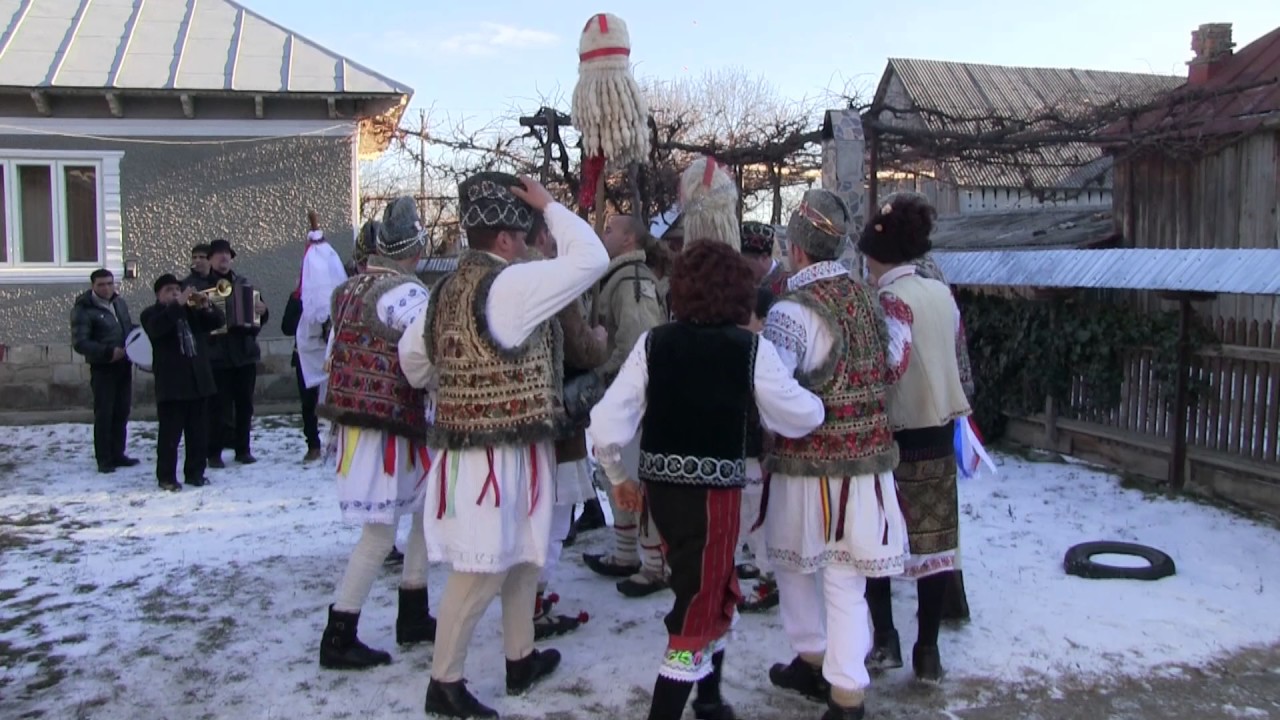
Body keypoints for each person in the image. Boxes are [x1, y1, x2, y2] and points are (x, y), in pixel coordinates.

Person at [398, 173, 608, 718]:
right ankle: (444, 682)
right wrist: (551, 206)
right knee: (483, 567)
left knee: (520, 557)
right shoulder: (510, 284)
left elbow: (413, 361)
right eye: (525, 230)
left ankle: (520, 658)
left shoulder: (442, 290)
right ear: (508, 240)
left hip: (475, 449)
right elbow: (590, 260)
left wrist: (459, 382)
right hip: (497, 457)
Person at [588, 241, 823, 720]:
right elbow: (798, 415)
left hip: (663, 497)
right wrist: (822, 401)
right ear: (738, 291)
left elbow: (606, 422)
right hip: (714, 501)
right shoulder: (748, 348)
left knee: (709, 589)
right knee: (699, 606)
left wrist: (617, 476)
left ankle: (710, 696)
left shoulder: (654, 342)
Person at [760, 188, 910, 720]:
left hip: (808, 468)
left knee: (796, 565)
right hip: (867, 464)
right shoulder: (869, 298)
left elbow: (771, 391)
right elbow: (893, 362)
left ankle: (813, 656)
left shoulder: (791, 311)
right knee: (845, 577)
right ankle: (846, 691)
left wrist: (805, 418)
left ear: (798, 250)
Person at [315, 196, 436, 671]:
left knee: (426, 510)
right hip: (389, 428)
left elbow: (332, 353)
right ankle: (339, 633)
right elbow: (422, 359)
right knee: (379, 534)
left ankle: (413, 610)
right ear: (417, 251)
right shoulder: (409, 294)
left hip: (356, 423)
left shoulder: (348, 289)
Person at [858, 194, 971, 683]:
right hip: (942, 429)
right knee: (935, 545)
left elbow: (892, 366)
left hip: (896, 433)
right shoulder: (940, 293)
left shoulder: (889, 301)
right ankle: (929, 652)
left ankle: (885, 640)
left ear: (875, 254)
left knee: (877, 539)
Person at [525, 212, 608, 639]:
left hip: (512, 428)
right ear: (542, 235)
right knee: (554, 519)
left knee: (526, 518)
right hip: (556, 424)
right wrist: (599, 336)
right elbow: (583, 351)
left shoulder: (498, 281)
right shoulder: (554, 282)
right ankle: (532, 604)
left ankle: (524, 602)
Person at [582, 214, 671, 598]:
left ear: (629, 239)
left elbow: (640, 341)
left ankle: (655, 565)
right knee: (616, 472)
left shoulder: (634, 281)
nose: (603, 234)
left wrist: (603, 372)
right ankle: (624, 553)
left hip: (635, 396)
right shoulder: (617, 278)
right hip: (621, 393)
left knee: (635, 473)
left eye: (609, 229)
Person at [188, 239, 269, 467]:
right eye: (219, 255)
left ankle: (243, 449)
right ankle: (213, 452)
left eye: (227, 255)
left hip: (244, 353)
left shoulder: (243, 283)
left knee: (244, 405)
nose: (224, 259)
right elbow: (196, 322)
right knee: (217, 407)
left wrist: (263, 311)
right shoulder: (201, 286)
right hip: (217, 356)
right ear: (211, 259)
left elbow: (258, 315)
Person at [141, 274, 225, 492]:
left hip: (198, 381)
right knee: (170, 435)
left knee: (198, 433)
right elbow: (158, 329)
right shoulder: (151, 314)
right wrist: (178, 304)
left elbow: (217, 322)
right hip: (172, 385)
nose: (175, 293)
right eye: (169, 290)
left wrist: (206, 306)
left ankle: (195, 473)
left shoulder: (190, 312)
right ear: (159, 295)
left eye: (177, 290)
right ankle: (167, 477)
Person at [294, 211, 348, 463]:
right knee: (313, 401)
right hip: (315, 348)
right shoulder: (306, 299)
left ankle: (339, 441)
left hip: (335, 348)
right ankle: (316, 442)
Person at [70, 268, 137, 474]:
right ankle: (104, 458)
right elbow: (80, 342)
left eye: (110, 283)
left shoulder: (119, 303)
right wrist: (108, 352)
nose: (107, 288)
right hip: (103, 367)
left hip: (124, 364)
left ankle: (118, 453)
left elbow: (126, 328)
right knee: (105, 413)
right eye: (101, 284)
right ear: (93, 286)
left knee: (121, 410)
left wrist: (138, 339)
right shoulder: (83, 309)